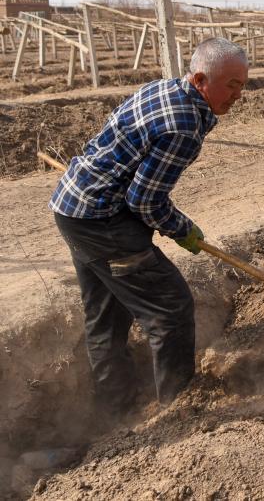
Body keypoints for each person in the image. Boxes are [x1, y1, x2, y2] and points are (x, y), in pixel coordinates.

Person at [49, 37, 249, 415]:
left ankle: (115, 412)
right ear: (200, 80)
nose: (238, 95)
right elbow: (144, 202)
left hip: (72, 207)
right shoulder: (183, 127)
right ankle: (178, 410)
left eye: (243, 85)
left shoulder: (164, 88)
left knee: (106, 318)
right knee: (169, 308)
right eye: (232, 85)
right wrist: (182, 229)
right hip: (102, 220)